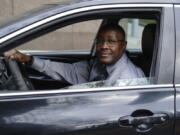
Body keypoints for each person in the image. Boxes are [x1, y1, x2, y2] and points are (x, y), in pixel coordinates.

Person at [4, 24, 145, 85]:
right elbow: (69, 71)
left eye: (111, 41)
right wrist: (29, 59)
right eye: (100, 41)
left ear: (123, 45)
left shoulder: (126, 80)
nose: (103, 46)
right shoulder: (99, 63)